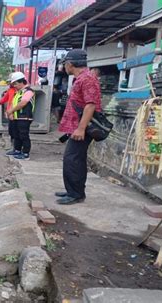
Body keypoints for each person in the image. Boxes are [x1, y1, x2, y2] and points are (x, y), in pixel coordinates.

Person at [56, 49, 102, 205]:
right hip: (77, 126)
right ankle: (73, 191)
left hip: (82, 128)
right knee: (76, 159)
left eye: (65, 65)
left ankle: (75, 194)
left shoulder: (87, 79)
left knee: (72, 159)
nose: (65, 68)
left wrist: (81, 128)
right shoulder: (82, 78)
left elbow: (90, 105)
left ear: (70, 64)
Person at [6, 72, 35, 160]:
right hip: (16, 117)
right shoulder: (18, 92)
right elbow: (14, 103)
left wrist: (11, 110)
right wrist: (10, 113)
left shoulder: (29, 91)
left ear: (22, 82)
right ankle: (17, 150)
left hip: (24, 117)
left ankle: (26, 153)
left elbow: (23, 103)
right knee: (16, 135)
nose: (14, 85)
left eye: (15, 83)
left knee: (23, 135)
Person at [0, 75, 17, 153]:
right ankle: (14, 147)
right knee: (11, 131)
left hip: (16, 114)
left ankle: (17, 148)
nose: (9, 83)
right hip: (10, 114)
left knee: (17, 131)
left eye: (10, 82)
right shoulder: (10, 90)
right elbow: (5, 98)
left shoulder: (20, 91)